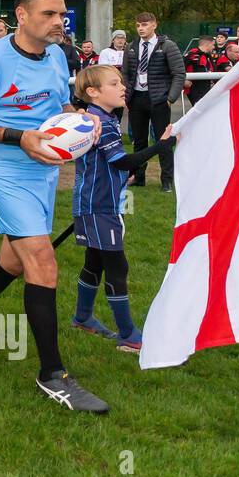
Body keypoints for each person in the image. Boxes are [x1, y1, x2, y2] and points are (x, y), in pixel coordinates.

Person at [0, 0, 110, 414]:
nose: (59, 22)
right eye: (49, 14)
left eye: (61, 15)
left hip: (44, 169)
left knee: (14, 259)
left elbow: (60, 106)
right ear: (21, 15)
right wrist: (19, 137)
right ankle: (53, 375)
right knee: (41, 259)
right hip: (5, 169)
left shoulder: (57, 55)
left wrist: (82, 121)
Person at [70, 65, 175, 352]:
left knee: (95, 261)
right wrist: (160, 146)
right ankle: (129, 335)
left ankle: (82, 318)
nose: (122, 87)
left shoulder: (104, 118)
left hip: (98, 204)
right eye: (114, 83)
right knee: (117, 266)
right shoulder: (98, 122)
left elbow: (109, 164)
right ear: (93, 92)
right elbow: (120, 161)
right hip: (99, 207)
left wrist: (121, 174)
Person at [121, 12, 185, 193]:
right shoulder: (131, 47)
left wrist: (170, 98)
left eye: (145, 24)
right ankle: (138, 177)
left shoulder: (167, 46)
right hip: (137, 99)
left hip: (159, 100)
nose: (141, 28)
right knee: (139, 141)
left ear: (154, 25)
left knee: (163, 140)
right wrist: (127, 95)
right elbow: (125, 73)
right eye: (138, 25)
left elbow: (179, 73)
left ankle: (166, 181)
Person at [184, 35, 221, 105]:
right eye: (213, 45)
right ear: (208, 44)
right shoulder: (192, 54)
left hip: (207, 88)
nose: (214, 47)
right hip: (195, 89)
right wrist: (184, 80)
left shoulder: (209, 56)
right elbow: (179, 69)